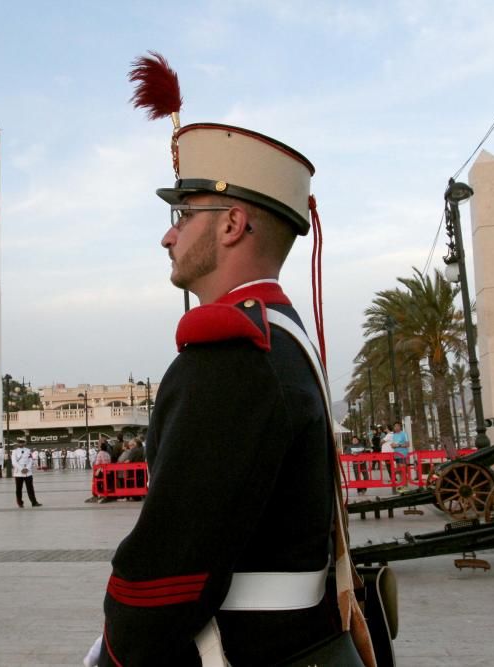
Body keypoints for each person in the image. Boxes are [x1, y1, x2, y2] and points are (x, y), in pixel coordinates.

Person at [90, 59, 371, 666]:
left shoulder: (232, 355)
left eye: (183, 216)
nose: (168, 237)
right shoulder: (282, 337)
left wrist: (115, 651)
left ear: (233, 224)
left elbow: (169, 569)